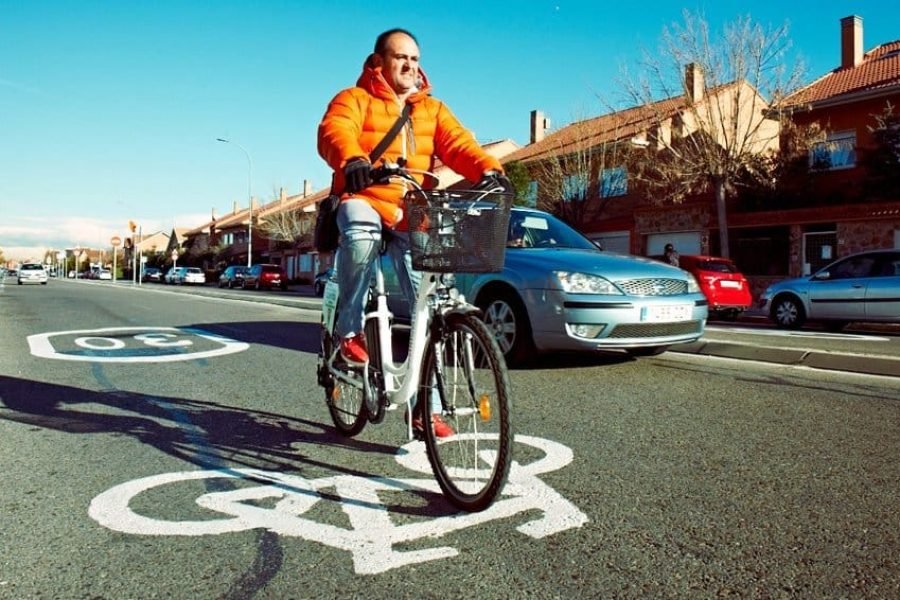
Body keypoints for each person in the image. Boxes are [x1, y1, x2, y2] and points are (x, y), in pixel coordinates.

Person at [317, 28, 510, 436]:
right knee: (360, 231)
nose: (410, 66)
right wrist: (352, 157)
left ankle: (426, 408)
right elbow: (335, 129)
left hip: (412, 207)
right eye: (401, 57)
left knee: (432, 301)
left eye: (416, 60)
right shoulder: (355, 99)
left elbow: (459, 144)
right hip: (365, 195)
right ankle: (348, 330)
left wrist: (490, 170)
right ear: (378, 62)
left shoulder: (432, 110)